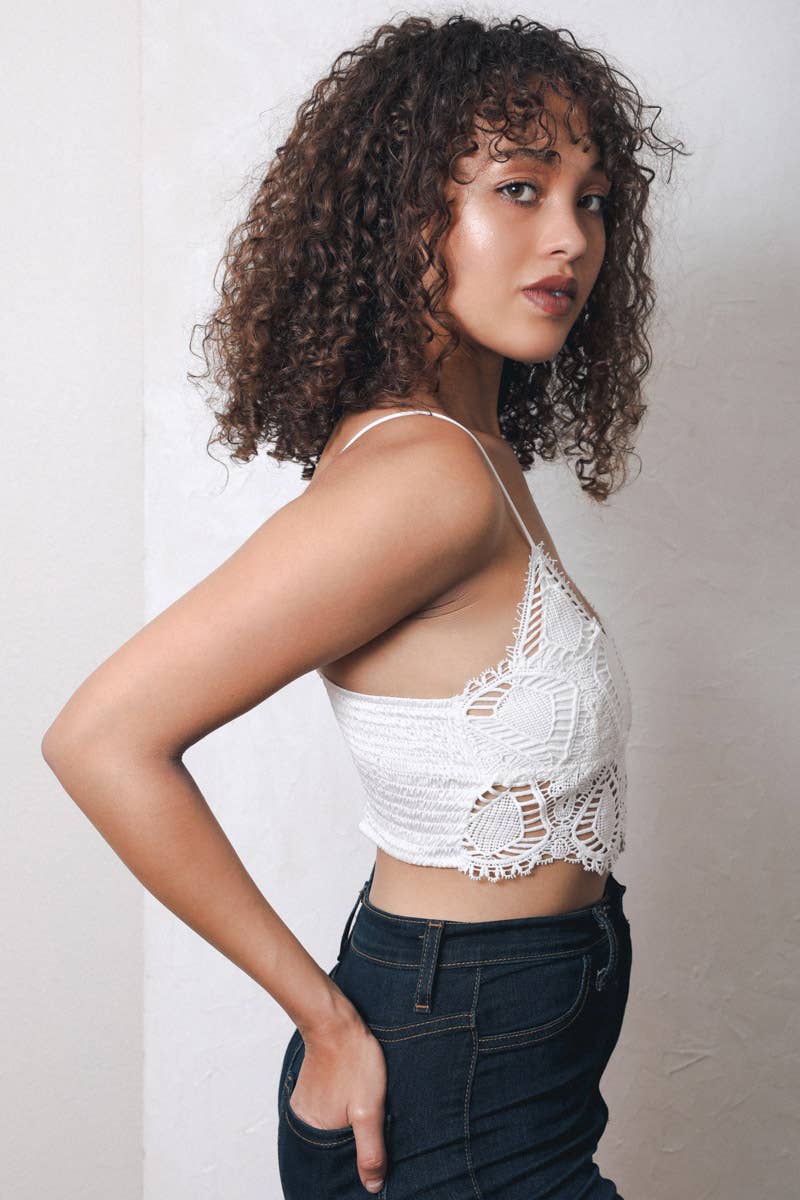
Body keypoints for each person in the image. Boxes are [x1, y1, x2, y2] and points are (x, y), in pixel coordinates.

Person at [42, 13, 687, 1199]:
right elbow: (100, 739)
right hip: (451, 1070)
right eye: (518, 187)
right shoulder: (426, 478)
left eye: (591, 200)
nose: (568, 238)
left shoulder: (470, 453)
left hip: (501, 1041)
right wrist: (324, 1020)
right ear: (403, 216)